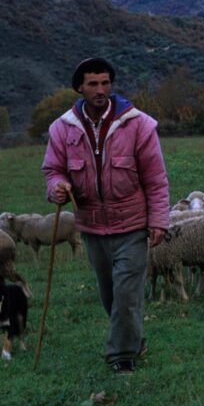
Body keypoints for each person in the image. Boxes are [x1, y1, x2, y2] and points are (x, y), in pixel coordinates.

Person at [41, 57, 169, 374]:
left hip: (132, 224)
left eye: (106, 83)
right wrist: (57, 186)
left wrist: (159, 221)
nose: (101, 90)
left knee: (126, 292)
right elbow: (53, 170)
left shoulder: (138, 124)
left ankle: (121, 357)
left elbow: (155, 178)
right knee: (110, 294)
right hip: (92, 226)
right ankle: (133, 339)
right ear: (80, 88)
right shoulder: (63, 128)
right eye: (93, 84)